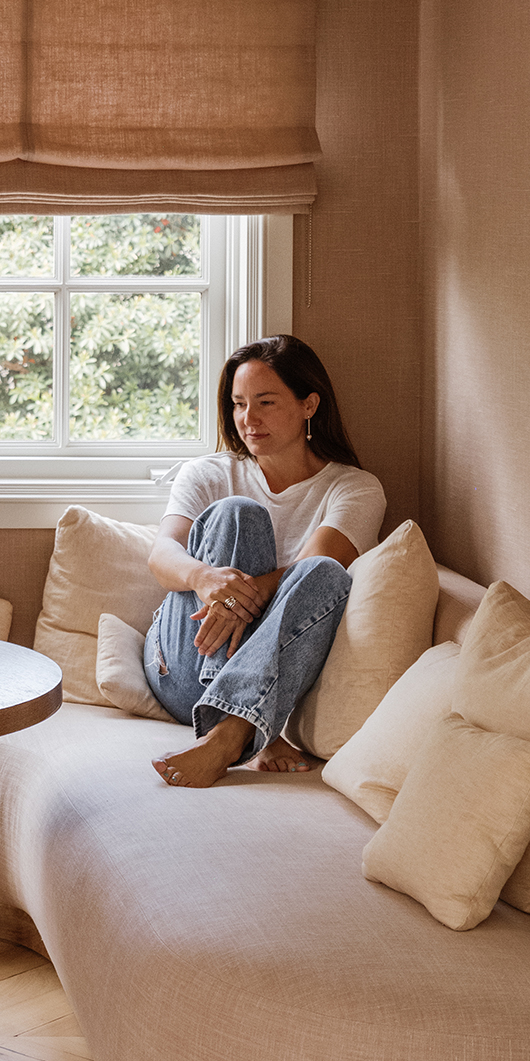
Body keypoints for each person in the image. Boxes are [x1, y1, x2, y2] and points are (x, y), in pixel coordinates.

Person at [143, 335, 385, 789]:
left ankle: (230, 734)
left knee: (325, 574)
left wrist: (237, 592)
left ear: (309, 404)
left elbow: (314, 567)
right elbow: (161, 556)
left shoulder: (355, 489)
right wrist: (205, 578)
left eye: (265, 403)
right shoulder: (208, 473)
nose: (247, 420)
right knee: (239, 515)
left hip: (271, 676)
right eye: (238, 404)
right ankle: (251, 725)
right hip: (184, 664)